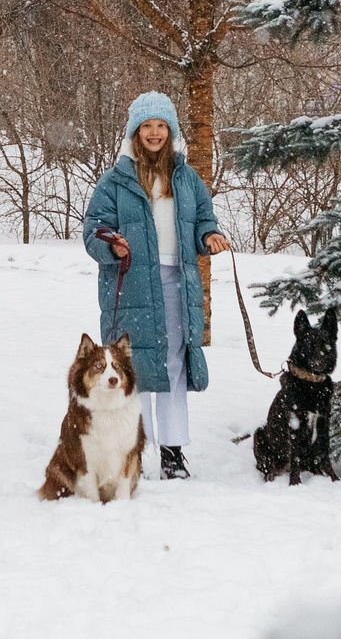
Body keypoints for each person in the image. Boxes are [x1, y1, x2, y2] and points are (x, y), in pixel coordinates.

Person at [81, 92, 231, 479]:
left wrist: (209, 235)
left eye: (161, 126)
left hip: (177, 284)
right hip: (131, 283)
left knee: (174, 366)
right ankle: (133, 453)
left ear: (170, 131)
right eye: (146, 126)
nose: (153, 133)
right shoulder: (114, 181)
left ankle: (173, 453)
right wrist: (111, 244)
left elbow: (202, 218)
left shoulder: (186, 178)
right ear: (134, 131)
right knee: (135, 371)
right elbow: (92, 229)